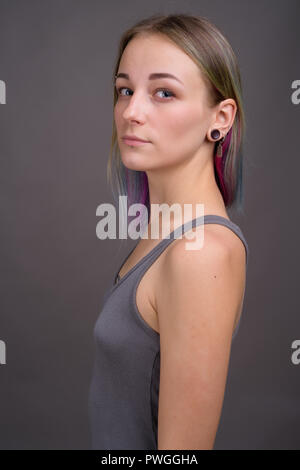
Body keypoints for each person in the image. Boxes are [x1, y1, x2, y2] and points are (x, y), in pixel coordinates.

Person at [88, 13, 250, 450]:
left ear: (221, 117)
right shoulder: (163, 237)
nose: (131, 112)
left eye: (163, 92)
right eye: (125, 90)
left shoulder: (200, 253)